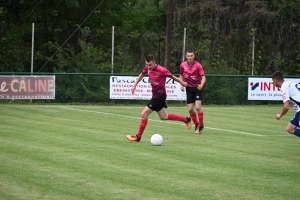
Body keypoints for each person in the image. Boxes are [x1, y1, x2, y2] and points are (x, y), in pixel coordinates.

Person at [126, 54, 191, 142]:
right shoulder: (147, 68)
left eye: (150, 65)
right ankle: (185, 119)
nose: (148, 67)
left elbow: (172, 76)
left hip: (159, 96)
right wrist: (134, 85)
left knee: (144, 114)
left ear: (154, 63)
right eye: (147, 65)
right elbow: (141, 74)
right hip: (155, 95)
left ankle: (138, 136)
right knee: (163, 116)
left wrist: (182, 83)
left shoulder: (162, 70)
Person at [179, 50, 206, 134]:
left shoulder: (198, 65)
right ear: (186, 57)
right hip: (189, 88)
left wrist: (201, 85)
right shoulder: (183, 65)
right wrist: (182, 84)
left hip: (197, 88)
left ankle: (201, 125)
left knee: (198, 107)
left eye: (191, 56)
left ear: (194, 56)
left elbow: (204, 77)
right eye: (188, 56)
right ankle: (197, 124)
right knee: (190, 109)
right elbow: (181, 75)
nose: (190, 57)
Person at [272, 71, 300, 137]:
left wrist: (280, 115)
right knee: (289, 128)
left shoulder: (284, 87)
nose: (273, 83)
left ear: (275, 80)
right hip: (299, 111)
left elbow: (286, 107)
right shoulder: (290, 83)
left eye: (273, 81)